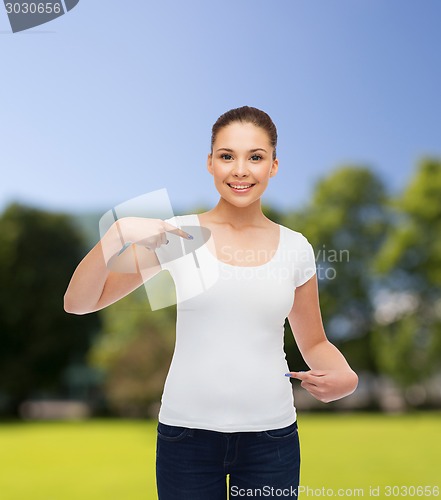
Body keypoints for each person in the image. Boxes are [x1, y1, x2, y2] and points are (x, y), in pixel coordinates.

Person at [64, 106, 358, 499]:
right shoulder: (177, 235)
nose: (240, 170)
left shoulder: (296, 248)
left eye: (255, 157)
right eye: (227, 156)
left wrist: (345, 376)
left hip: (271, 440)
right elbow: (78, 303)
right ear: (210, 162)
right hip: (186, 438)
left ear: (273, 165)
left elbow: (315, 343)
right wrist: (116, 235)